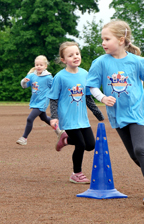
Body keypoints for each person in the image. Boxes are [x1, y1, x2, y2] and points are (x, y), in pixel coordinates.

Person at [86, 20, 144, 208]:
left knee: (139, 149)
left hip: (135, 112)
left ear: (121, 40)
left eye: (107, 38)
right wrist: (103, 98)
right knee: (134, 155)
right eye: (102, 39)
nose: (103, 42)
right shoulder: (100, 62)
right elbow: (92, 86)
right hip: (116, 115)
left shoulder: (137, 61)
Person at [49, 42, 104, 184]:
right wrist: (54, 117)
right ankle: (76, 173)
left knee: (90, 145)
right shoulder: (60, 77)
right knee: (80, 144)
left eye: (77, 54)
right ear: (63, 60)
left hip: (82, 118)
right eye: (70, 55)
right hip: (67, 117)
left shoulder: (85, 74)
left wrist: (96, 112)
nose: (75, 57)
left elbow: (87, 97)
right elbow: (53, 98)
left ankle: (65, 140)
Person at [16, 55, 65, 146]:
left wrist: (59, 97)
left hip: (43, 102)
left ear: (45, 66)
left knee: (30, 118)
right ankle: (60, 131)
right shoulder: (31, 75)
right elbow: (24, 86)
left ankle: (24, 138)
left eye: (41, 65)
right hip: (35, 101)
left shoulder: (48, 77)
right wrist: (24, 81)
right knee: (44, 118)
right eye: (37, 64)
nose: (38, 66)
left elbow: (55, 88)